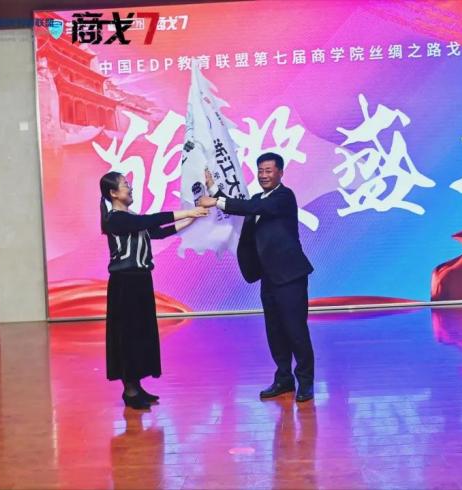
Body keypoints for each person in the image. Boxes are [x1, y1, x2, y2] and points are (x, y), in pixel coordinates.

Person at [198, 152, 315, 402]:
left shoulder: (284, 196)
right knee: (275, 331)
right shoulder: (256, 199)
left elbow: (252, 208)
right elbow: (244, 207)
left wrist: (216, 201)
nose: (263, 175)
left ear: (280, 173)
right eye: (260, 171)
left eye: (268, 171)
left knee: (295, 330)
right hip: (268, 277)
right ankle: (284, 379)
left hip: (290, 277)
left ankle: (305, 382)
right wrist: (214, 189)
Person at [100, 171, 208, 409]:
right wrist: (189, 211)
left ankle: (136, 386)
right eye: (125, 185)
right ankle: (129, 391)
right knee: (128, 335)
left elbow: (161, 230)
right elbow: (150, 221)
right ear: (113, 193)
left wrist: (195, 216)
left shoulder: (131, 218)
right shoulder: (116, 219)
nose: (130, 188)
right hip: (124, 284)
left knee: (141, 333)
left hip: (140, 281)